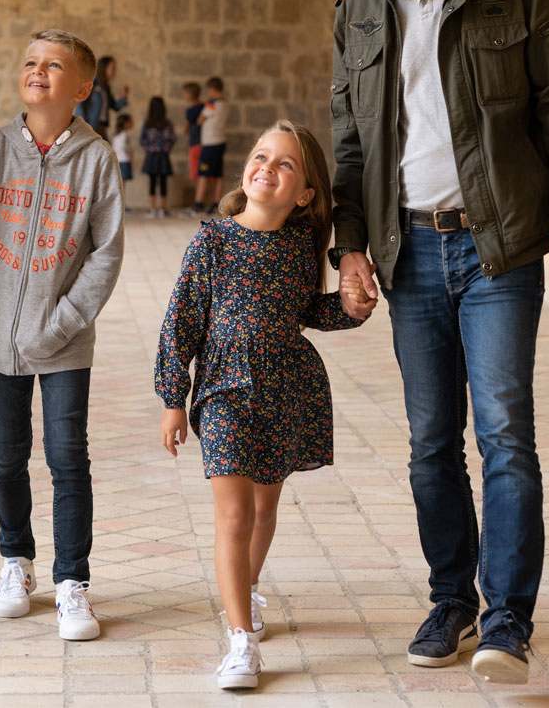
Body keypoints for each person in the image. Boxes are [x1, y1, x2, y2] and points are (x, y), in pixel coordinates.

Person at [330, 0, 549, 684]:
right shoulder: (357, 10)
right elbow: (348, 144)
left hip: (499, 247)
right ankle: (451, 599)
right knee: (428, 444)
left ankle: (506, 621)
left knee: (503, 434)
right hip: (407, 249)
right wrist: (349, 247)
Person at [155, 121, 371, 689]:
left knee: (265, 510)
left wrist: (349, 309)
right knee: (234, 515)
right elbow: (181, 323)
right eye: (260, 157)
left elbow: (306, 312)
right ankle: (240, 640)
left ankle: (244, 594)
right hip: (225, 390)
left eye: (284, 164)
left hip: (286, 388)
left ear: (305, 194)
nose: (266, 169)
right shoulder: (213, 240)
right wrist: (172, 398)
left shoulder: (302, 247)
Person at [0, 29, 125, 641]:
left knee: (66, 457)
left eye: (54, 65)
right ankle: (15, 561)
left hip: (64, 344)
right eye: (30, 61)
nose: (38, 71)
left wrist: (61, 323)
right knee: (6, 455)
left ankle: (72, 580)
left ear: (82, 87)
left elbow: (105, 254)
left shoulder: (96, 159)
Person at [187, 76, 228, 215]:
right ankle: (217, 203)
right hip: (220, 142)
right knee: (217, 174)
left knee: (203, 173)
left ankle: (198, 203)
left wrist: (206, 104)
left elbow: (199, 120)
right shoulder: (225, 103)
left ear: (212, 89)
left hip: (210, 143)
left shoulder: (211, 104)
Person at [74, 54, 128, 140]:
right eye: (112, 68)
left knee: (106, 151)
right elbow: (80, 104)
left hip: (101, 126)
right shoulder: (92, 83)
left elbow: (115, 107)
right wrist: (83, 126)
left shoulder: (106, 87)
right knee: (105, 151)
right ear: (104, 68)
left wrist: (123, 96)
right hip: (90, 126)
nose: (114, 71)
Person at [140, 96, 176, 218]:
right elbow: (172, 139)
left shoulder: (147, 124)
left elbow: (142, 140)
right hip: (163, 155)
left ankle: (152, 209)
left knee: (152, 181)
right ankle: (162, 209)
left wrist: (149, 148)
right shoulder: (167, 123)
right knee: (163, 182)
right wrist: (166, 148)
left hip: (151, 156)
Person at [182, 81, 204, 182]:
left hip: (195, 143)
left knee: (195, 173)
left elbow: (186, 128)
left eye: (186, 93)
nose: (184, 95)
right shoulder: (204, 106)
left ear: (191, 94)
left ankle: (197, 196)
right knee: (204, 171)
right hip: (205, 143)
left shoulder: (191, 110)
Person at [112, 113, 134, 211]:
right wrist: (130, 153)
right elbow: (125, 147)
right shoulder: (125, 135)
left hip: (117, 160)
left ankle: (120, 204)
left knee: (119, 185)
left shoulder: (116, 135)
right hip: (124, 161)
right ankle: (121, 205)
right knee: (122, 185)